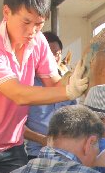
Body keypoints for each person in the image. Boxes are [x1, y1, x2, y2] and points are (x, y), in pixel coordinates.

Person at [0, 0, 88, 173]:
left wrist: (78, 76)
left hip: (13, 146)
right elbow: (18, 94)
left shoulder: (39, 41)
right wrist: (69, 91)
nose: (32, 31)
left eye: (39, 24)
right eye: (26, 22)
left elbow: (54, 84)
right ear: (7, 12)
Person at [24, 31, 76, 160]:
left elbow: (75, 116)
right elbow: (17, 126)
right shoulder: (27, 84)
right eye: (49, 53)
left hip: (68, 154)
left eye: (57, 54)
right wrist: (43, 140)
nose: (54, 58)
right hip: (38, 155)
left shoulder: (68, 84)